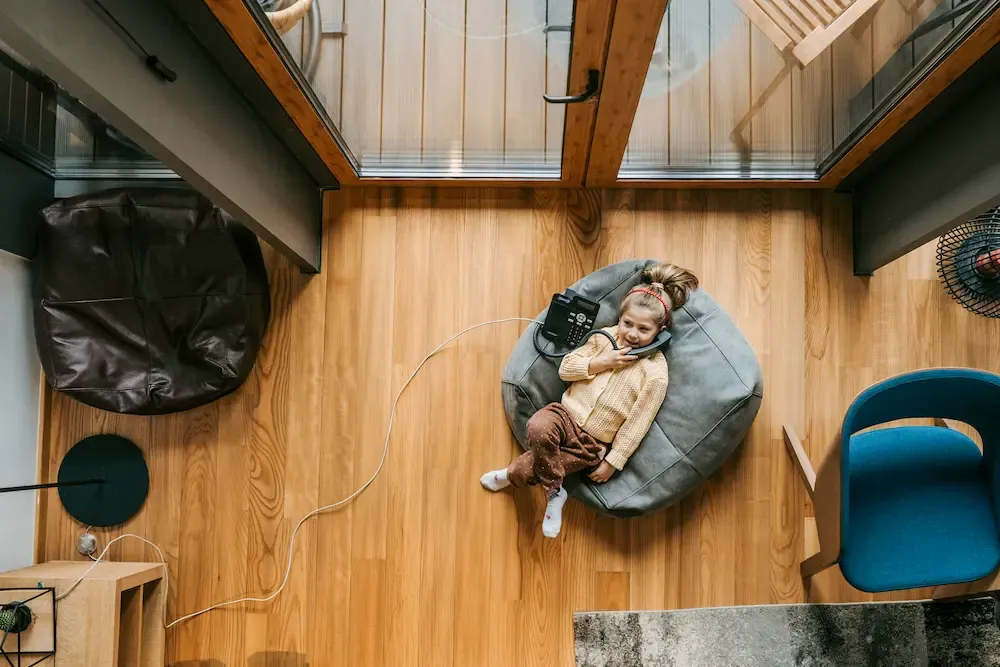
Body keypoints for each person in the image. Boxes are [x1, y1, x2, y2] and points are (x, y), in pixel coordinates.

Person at [481, 263, 699, 538]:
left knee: (533, 467)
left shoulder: (655, 373)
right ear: (620, 317)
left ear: (661, 330)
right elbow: (566, 368)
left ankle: (511, 476)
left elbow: (638, 422)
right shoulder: (604, 338)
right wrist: (601, 363)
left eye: (644, 329)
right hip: (564, 415)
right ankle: (555, 491)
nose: (632, 333)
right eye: (627, 323)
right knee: (537, 427)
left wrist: (614, 461)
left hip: (592, 443)